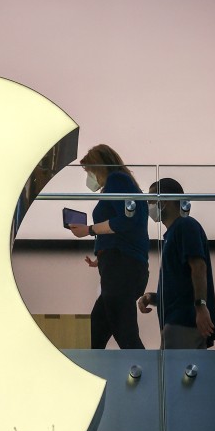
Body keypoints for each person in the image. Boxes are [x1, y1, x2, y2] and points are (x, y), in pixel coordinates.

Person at [68, 144, 148, 349]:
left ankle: (146, 375)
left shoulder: (116, 180)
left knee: (125, 331)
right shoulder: (126, 183)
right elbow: (125, 228)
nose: (89, 177)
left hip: (121, 267)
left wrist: (89, 230)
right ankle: (95, 370)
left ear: (100, 167)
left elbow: (124, 221)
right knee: (98, 325)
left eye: (90, 171)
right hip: (121, 264)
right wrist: (102, 256)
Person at [137, 178, 215, 349]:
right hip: (176, 323)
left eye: (151, 199)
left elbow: (198, 267)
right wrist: (152, 298)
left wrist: (201, 307)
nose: (148, 205)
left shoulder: (185, 225)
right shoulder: (172, 234)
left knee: (175, 374)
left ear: (165, 200)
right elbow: (179, 285)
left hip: (184, 323)